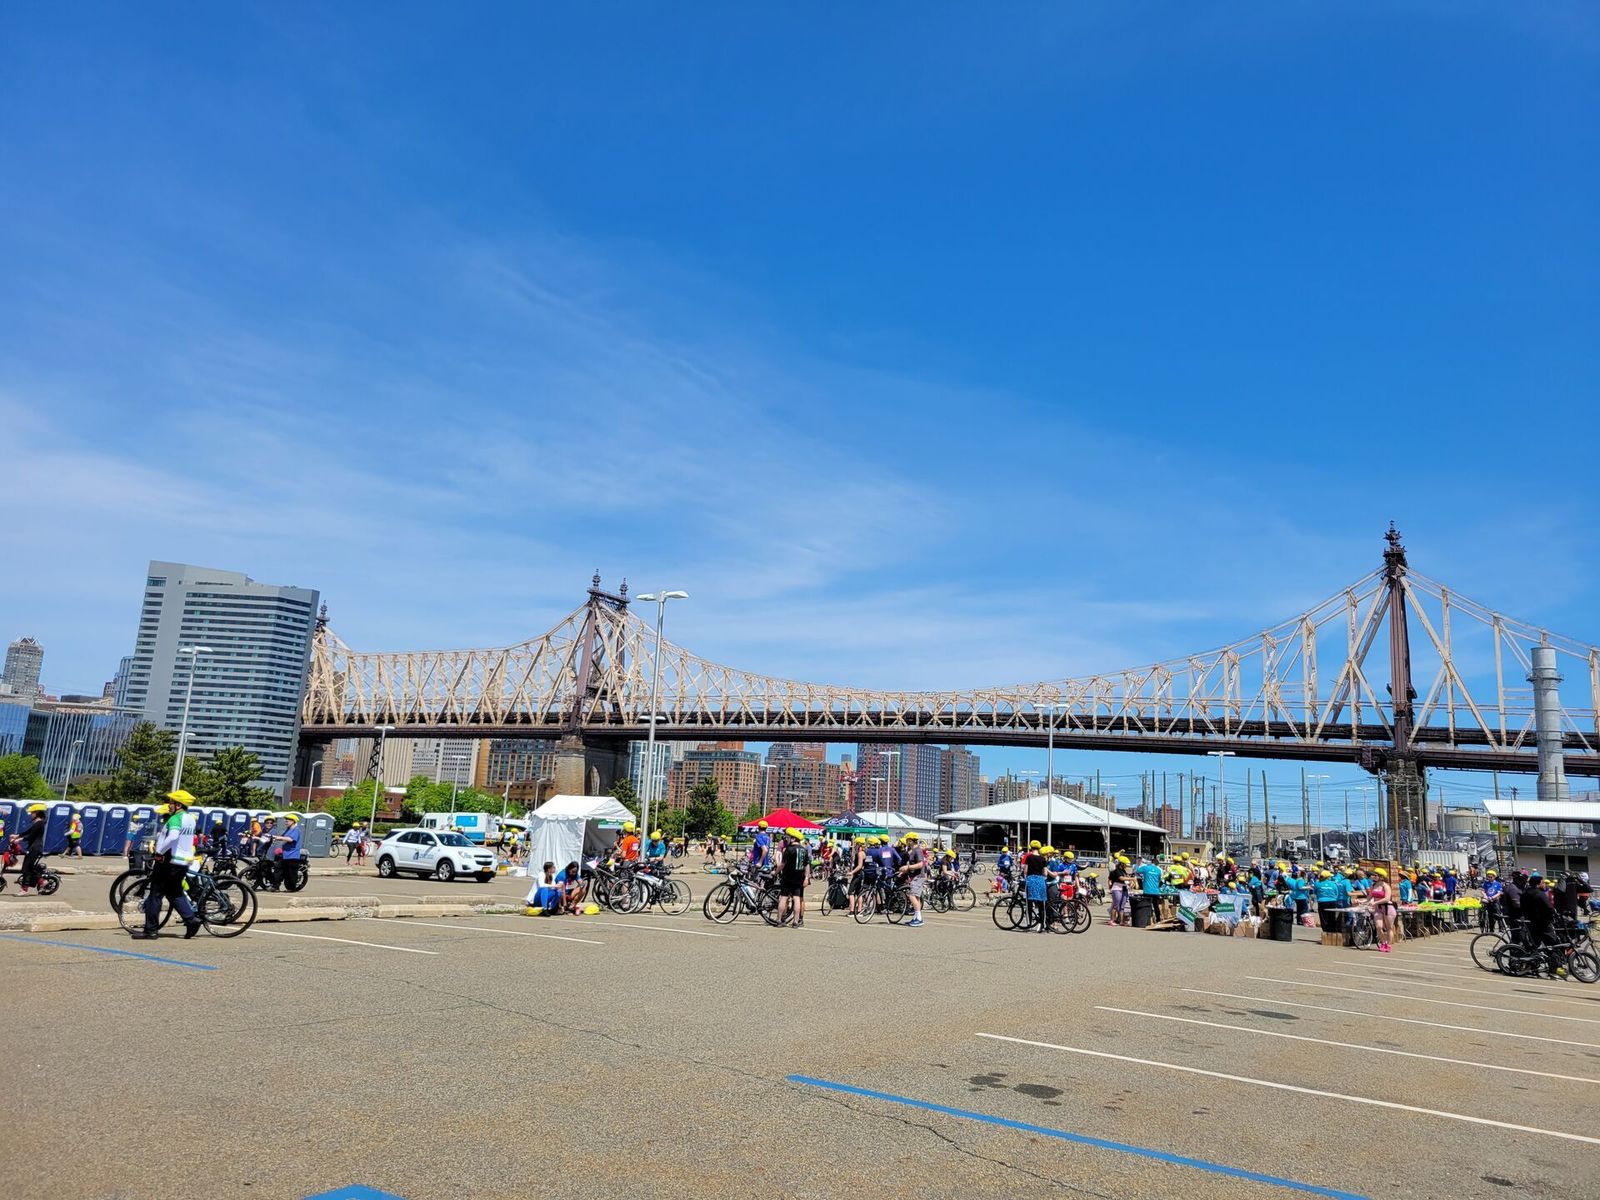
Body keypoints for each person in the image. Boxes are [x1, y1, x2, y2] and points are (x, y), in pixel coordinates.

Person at [132, 791, 201, 940]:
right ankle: (191, 920)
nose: (169, 805)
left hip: (169, 861)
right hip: (183, 861)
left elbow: (173, 837)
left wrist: (159, 851)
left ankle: (150, 930)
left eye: (171, 802)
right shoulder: (190, 818)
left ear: (178, 805)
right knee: (175, 892)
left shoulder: (175, 818)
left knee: (155, 895)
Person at [778, 829, 811, 928]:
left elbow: (782, 864)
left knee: (783, 897)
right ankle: (796, 921)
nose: (787, 839)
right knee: (796, 898)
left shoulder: (788, 849)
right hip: (799, 877)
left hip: (787, 876)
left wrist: (775, 871)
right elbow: (807, 865)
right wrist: (806, 877)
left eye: (788, 837)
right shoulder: (804, 850)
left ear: (793, 839)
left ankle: (779, 920)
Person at [15, 803, 47, 893]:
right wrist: (18, 835)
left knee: (27, 868)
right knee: (27, 867)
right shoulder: (37, 823)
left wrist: (20, 839)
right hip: (33, 847)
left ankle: (24, 889)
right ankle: (41, 881)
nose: (31, 814)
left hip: (35, 848)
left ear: (37, 813)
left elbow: (31, 836)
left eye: (32, 813)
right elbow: (29, 831)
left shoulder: (39, 823)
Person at [897, 832, 927, 927]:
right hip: (916, 876)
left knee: (912, 895)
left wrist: (908, 867)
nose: (906, 842)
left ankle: (919, 919)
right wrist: (903, 871)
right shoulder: (914, 850)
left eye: (907, 840)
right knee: (916, 897)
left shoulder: (917, 850)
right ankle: (916, 917)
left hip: (918, 876)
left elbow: (920, 864)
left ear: (910, 840)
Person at [1021, 841, 1050, 933]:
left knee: (1029, 903)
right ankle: (1042, 925)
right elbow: (1045, 873)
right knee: (1041, 904)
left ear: (1031, 847)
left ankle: (1029, 925)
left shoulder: (1029, 857)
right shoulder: (1043, 859)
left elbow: (1025, 871)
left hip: (1031, 880)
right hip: (1040, 880)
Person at [270, 813, 303, 890]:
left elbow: (290, 839)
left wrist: (277, 837)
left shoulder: (296, 830)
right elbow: (283, 837)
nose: (286, 822)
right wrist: (273, 837)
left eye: (287, 821)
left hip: (292, 855)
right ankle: (275, 886)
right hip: (285, 854)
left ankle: (291, 888)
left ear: (293, 821)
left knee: (290, 873)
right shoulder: (288, 829)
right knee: (278, 870)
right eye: (286, 820)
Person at [1368, 868, 1397, 953]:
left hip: (1388, 908)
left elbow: (1387, 898)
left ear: (1381, 877)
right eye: (1373, 875)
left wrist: (1375, 902)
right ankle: (1384, 942)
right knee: (1378, 927)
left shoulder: (1386, 886)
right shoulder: (1373, 885)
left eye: (1375, 875)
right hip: (1378, 908)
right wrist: (1360, 901)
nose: (1373, 876)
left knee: (1389, 928)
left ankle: (1388, 945)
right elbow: (1369, 897)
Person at [1107, 854, 1130, 925]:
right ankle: (1112, 920)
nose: (1126, 866)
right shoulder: (1117, 871)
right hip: (1117, 888)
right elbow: (1121, 878)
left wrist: (1130, 881)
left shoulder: (1123, 871)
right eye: (1125, 865)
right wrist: (1132, 879)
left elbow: (1125, 879)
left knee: (1122, 906)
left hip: (1124, 888)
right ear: (1122, 864)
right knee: (1116, 905)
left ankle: (1121, 921)